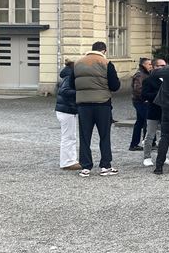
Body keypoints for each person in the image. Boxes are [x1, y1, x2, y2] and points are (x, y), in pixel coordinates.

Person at [72, 41, 121, 178]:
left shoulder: (78, 63)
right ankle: (105, 166)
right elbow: (115, 86)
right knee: (104, 136)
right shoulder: (106, 63)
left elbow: (71, 83)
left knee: (84, 136)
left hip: (83, 104)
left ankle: (85, 167)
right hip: (102, 103)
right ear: (104, 51)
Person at [141, 58, 167, 167]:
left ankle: (163, 156)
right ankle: (147, 157)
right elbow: (144, 95)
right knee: (150, 135)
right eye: (161, 66)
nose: (164, 67)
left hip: (166, 110)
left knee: (165, 135)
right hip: (153, 109)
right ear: (154, 67)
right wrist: (159, 95)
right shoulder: (148, 80)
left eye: (165, 65)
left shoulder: (168, 79)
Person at [55, 59, 80, 170]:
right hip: (67, 110)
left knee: (69, 136)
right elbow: (65, 91)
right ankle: (68, 162)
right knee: (69, 137)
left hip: (65, 109)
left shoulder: (67, 74)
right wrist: (80, 92)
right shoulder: (70, 76)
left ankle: (69, 160)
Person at [129, 57, 152, 151]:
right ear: (143, 65)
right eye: (149, 64)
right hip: (141, 102)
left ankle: (134, 144)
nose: (151, 66)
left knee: (140, 122)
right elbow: (138, 89)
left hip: (140, 101)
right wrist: (145, 98)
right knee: (147, 122)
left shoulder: (145, 74)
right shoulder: (140, 75)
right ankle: (147, 143)